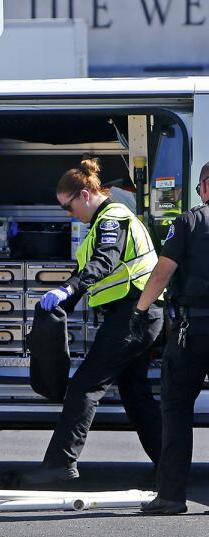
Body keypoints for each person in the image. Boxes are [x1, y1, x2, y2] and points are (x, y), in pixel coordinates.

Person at [20, 158, 164, 486]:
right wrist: (60, 301)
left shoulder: (113, 218)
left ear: (85, 195)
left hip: (134, 314)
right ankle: (170, 463)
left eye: (68, 208)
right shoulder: (98, 224)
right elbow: (85, 272)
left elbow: (104, 260)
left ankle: (60, 463)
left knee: (86, 386)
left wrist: (68, 288)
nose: (69, 215)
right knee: (135, 393)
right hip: (136, 316)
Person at [130, 161, 209, 515]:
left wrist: (140, 310)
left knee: (176, 410)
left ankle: (172, 496)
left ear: (205, 186)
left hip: (192, 330)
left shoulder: (189, 221)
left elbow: (163, 273)